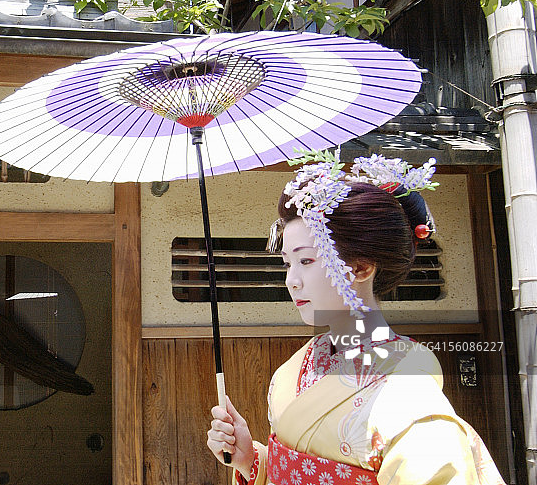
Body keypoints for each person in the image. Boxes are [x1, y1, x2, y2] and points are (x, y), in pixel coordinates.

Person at [206, 151, 505, 485]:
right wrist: (250, 459)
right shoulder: (293, 370)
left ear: (361, 268)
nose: (291, 280)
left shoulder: (410, 401)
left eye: (306, 261)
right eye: (287, 263)